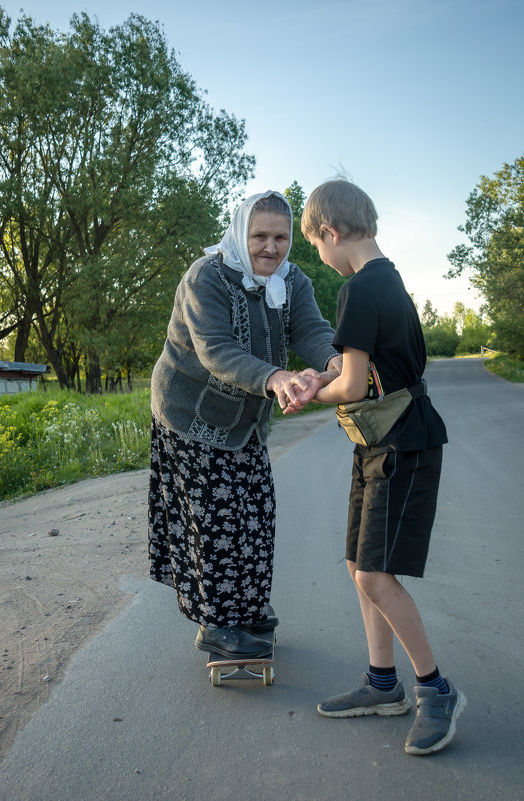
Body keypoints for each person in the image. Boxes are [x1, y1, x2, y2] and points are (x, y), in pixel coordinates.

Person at [290, 178, 465, 756]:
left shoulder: (359, 289)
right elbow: (364, 364)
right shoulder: (386, 277)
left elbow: (351, 386)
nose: (319, 255)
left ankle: (435, 690)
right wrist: (328, 374)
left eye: (315, 244)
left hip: (401, 444)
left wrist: (305, 391)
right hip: (385, 440)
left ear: (331, 232)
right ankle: (382, 684)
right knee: (357, 563)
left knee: (373, 574)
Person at [149, 190, 342, 660]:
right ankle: (217, 624)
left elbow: (311, 330)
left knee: (255, 515)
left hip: (246, 419)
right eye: (260, 236)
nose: (271, 248)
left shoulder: (291, 280)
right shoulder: (206, 277)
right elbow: (215, 350)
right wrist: (277, 377)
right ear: (240, 232)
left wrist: (337, 361)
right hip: (191, 415)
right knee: (215, 523)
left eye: (280, 237)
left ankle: (249, 609)